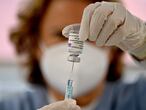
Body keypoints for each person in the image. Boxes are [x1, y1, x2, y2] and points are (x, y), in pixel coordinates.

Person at [0, 1, 145, 110]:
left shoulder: (138, 99)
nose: (77, 41)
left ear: (113, 47)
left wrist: (143, 44)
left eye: (90, 35)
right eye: (59, 35)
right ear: (35, 44)